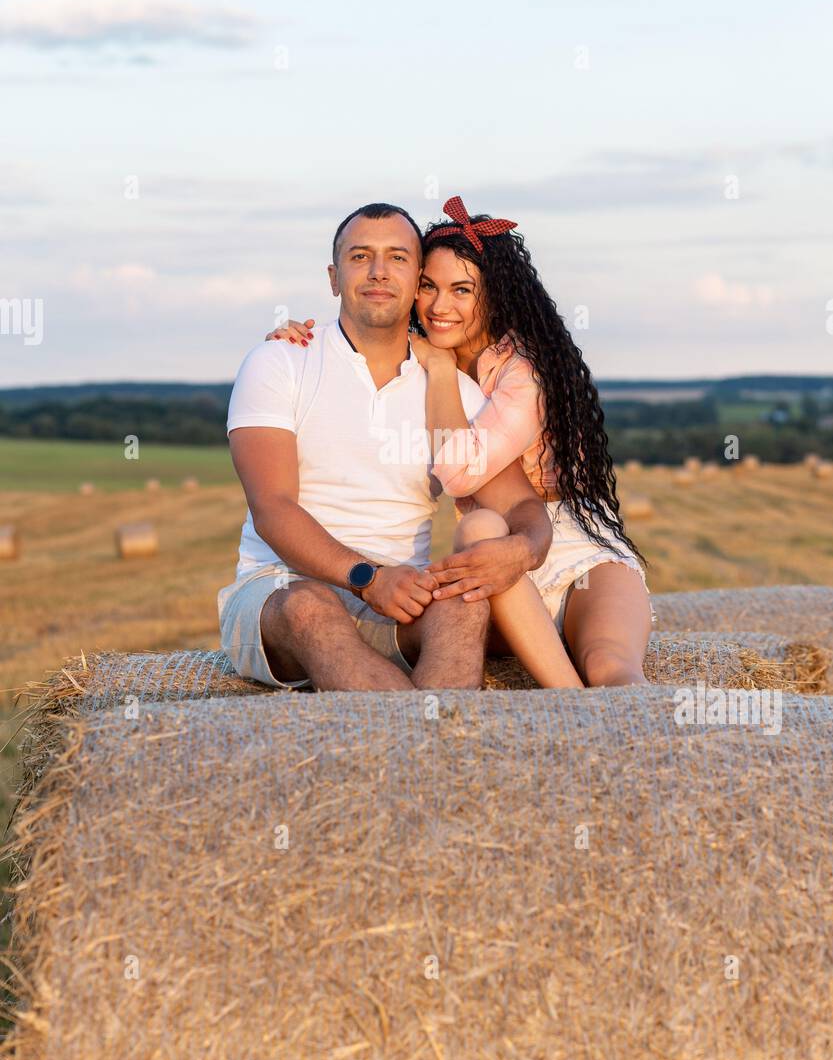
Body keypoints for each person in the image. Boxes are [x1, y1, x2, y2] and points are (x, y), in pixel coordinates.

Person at [267, 196, 655, 688]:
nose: (438, 305)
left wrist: (442, 369)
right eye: (428, 286)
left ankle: (621, 733)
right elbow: (358, 326)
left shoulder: (521, 371)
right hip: (492, 573)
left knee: (610, 668)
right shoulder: (414, 351)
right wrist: (297, 334)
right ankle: (572, 710)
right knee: (480, 529)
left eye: (462, 290)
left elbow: (461, 469)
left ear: (493, 296)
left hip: (573, 550)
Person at [218, 202, 554, 692]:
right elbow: (272, 508)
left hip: (400, 600)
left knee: (465, 604)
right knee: (312, 606)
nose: (378, 272)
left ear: (418, 279)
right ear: (334, 277)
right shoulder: (280, 363)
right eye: (360, 257)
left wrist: (521, 550)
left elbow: (523, 505)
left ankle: (435, 746)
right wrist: (368, 578)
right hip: (278, 591)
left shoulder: (453, 393)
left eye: (397, 258)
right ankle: (415, 747)